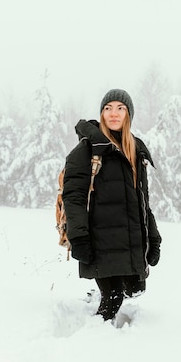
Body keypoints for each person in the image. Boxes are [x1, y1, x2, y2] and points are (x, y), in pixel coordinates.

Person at [62, 89, 162, 322]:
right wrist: (79, 238)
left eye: (120, 108)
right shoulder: (87, 150)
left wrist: (153, 238)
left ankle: (95, 301)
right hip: (99, 241)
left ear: (128, 114)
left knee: (135, 289)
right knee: (113, 298)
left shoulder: (135, 151)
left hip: (128, 241)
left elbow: (143, 203)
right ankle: (96, 344)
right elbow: (74, 198)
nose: (113, 114)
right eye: (108, 108)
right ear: (101, 113)